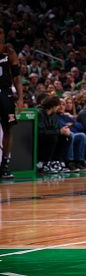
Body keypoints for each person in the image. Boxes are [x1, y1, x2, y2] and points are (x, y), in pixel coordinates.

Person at [0, 27, 24, 179]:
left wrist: (20, 97)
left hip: (5, 93)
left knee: (8, 128)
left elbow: (17, 78)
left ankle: (5, 165)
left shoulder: (9, 52)